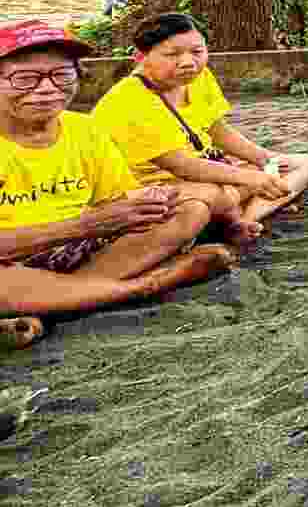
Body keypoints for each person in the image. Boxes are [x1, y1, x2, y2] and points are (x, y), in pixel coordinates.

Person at [0, 21, 236, 351]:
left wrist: (145, 202)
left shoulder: (84, 130)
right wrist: (84, 225)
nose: (47, 89)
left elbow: (117, 198)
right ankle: (146, 285)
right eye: (25, 79)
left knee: (189, 210)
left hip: (79, 250)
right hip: (16, 259)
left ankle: (51, 302)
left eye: (62, 76)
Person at [91, 13, 308, 242]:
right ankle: (235, 216)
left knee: (304, 163)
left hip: (211, 172)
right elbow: (182, 166)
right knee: (213, 198)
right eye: (172, 54)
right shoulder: (127, 102)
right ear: (140, 57)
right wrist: (250, 179)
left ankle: (247, 219)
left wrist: (265, 159)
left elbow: (216, 129)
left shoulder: (197, 77)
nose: (188, 62)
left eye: (197, 52)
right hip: (152, 188)